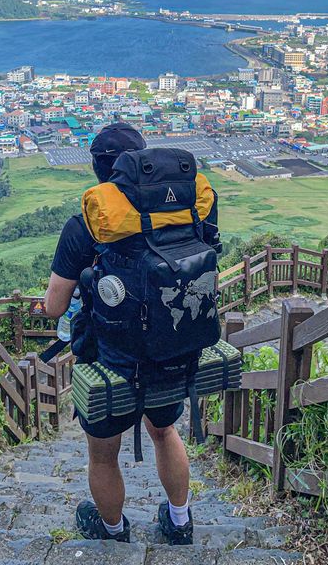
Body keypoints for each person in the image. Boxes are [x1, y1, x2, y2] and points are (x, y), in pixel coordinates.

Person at [44, 122, 216, 546]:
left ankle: (113, 529)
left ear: (100, 170)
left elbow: (54, 307)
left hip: (113, 359)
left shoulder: (90, 222)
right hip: (175, 346)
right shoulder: (187, 209)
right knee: (165, 431)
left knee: (103, 451)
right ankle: (179, 522)